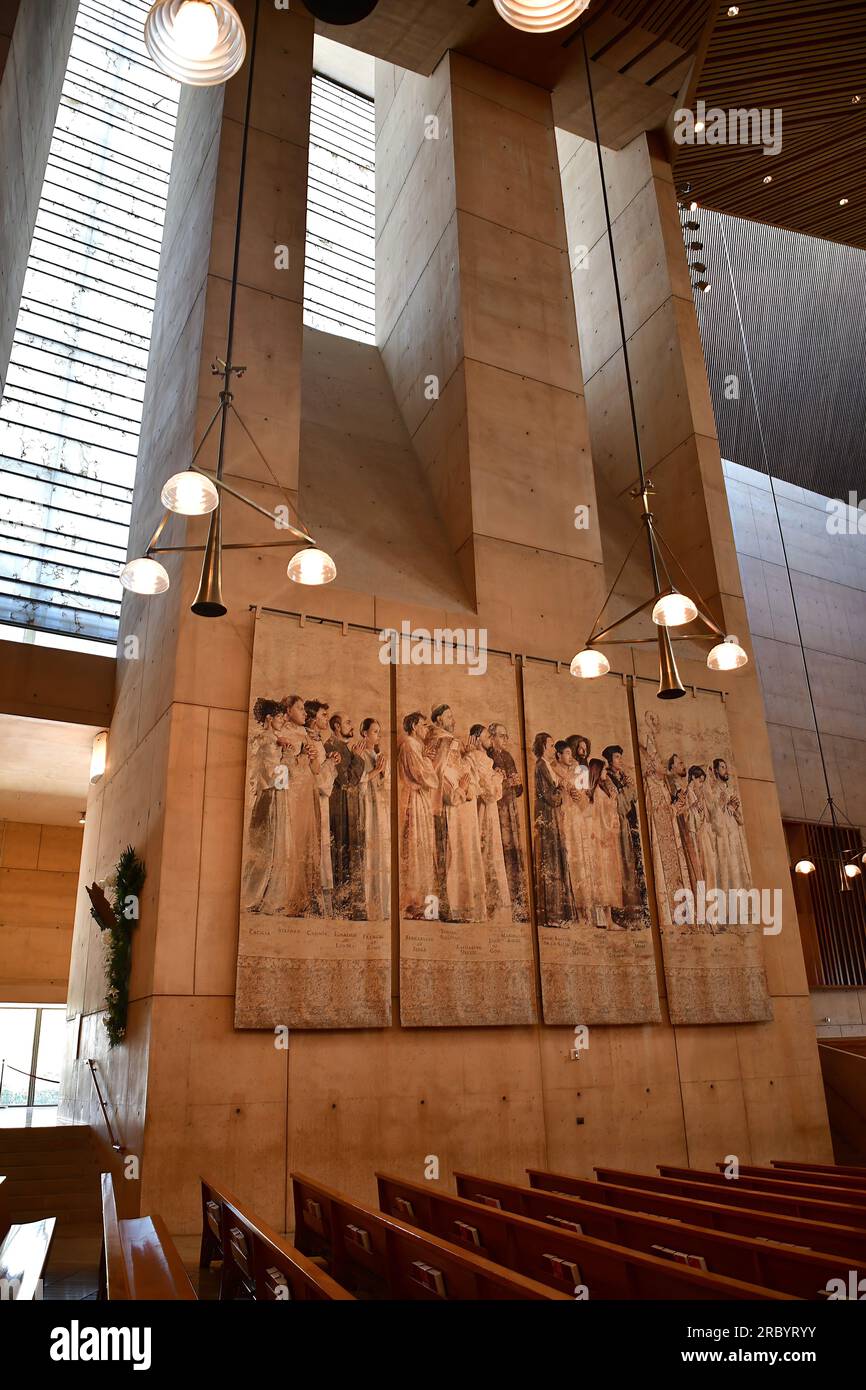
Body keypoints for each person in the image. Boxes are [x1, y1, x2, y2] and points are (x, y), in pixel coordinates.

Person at [242, 698, 291, 914]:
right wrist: (287, 754)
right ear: (270, 719)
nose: (283, 720)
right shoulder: (268, 742)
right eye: (280, 717)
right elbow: (277, 778)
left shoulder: (267, 741)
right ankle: (255, 897)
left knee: (269, 846)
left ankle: (264, 897)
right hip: (270, 797)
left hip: (270, 796)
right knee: (266, 846)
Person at [277, 694, 322, 917]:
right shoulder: (282, 733)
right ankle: (289, 898)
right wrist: (300, 756)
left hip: (307, 790)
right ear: (288, 712)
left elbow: (315, 769)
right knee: (292, 842)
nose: (305, 713)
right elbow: (281, 771)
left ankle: (304, 899)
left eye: (305, 709)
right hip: (292, 793)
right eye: (300, 709)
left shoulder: (306, 733)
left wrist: (312, 756)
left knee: (306, 841)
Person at [466, 724, 511, 918]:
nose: (489, 739)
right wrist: (497, 779)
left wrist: (496, 778)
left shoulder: (486, 760)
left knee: (491, 850)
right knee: (484, 850)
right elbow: (488, 793)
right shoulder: (475, 759)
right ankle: (483, 905)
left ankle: (493, 906)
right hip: (481, 811)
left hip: (489, 811)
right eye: (486, 736)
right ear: (477, 740)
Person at [397, 712, 438, 918]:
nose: (426, 729)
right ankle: (414, 904)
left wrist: (427, 759)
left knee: (423, 848)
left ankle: (423, 903)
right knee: (415, 848)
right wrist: (429, 761)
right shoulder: (410, 745)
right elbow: (424, 777)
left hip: (421, 801)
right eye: (423, 725)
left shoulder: (417, 747)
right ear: (414, 726)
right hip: (414, 800)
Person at [325, 712, 366, 919]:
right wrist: (357, 758)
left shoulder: (343, 748)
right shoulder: (332, 747)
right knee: (341, 852)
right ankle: (342, 906)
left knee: (351, 851)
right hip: (339, 807)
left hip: (349, 807)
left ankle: (350, 905)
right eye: (348, 722)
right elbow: (347, 780)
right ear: (336, 725)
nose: (352, 726)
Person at [442, 738, 486, 922]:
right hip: (456, 821)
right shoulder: (444, 772)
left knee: (472, 857)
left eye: (457, 751)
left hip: (469, 821)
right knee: (458, 859)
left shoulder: (465, 766)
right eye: (452, 751)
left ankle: (475, 910)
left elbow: (476, 787)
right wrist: (461, 788)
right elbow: (449, 798)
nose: (455, 754)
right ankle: (458, 908)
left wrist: (468, 790)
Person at [601, 743, 647, 920]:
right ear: (610, 760)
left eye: (621, 756)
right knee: (624, 864)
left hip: (631, 823)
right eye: (617, 757)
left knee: (635, 863)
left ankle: (639, 909)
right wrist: (629, 789)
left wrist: (630, 788)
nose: (620, 760)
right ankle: (627, 910)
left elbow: (635, 797)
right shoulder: (608, 778)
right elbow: (619, 804)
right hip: (619, 825)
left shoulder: (624, 776)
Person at [533, 733, 574, 927]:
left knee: (556, 861)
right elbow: (548, 795)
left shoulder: (546, 766)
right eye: (550, 745)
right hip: (547, 818)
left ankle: (559, 915)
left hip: (553, 818)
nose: (552, 748)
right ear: (542, 747)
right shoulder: (541, 766)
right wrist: (561, 790)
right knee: (550, 863)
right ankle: (553, 915)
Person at [489, 722, 527, 920]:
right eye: (501, 736)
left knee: (515, 852)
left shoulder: (508, 756)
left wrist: (516, 783)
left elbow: (518, 789)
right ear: (492, 737)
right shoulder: (489, 755)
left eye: (506, 736)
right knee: (502, 850)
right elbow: (489, 786)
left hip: (511, 810)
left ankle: (519, 905)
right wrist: (505, 783)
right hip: (498, 810)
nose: (505, 739)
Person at [305, 699, 339, 915]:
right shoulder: (309, 740)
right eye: (323, 715)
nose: (326, 718)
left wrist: (330, 762)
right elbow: (317, 778)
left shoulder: (317, 740)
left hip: (321, 800)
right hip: (313, 799)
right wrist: (330, 764)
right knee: (315, 842)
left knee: (323, 843)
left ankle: (323, 902)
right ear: (313, 718)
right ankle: (314, 898)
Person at [552, 740, 592, 915]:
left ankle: (585, 907)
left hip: (577, 819)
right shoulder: (553, 769)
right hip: (563, 817)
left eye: (571, 753)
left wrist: (579, 796)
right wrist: (562, 789)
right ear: (559, 755)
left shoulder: (579, 770)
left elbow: (586, 802)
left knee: (580, 858)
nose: (570, 756)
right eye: (566, 753)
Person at [425, 704, 456, 919]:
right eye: (448, 716)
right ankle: (437, 910)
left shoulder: (442, 739)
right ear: (438, 720)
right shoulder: (441, 740)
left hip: (445, 803)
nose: (452, 719)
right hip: (438, 803)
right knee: (439, 856)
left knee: (444, 856)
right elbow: (438, 771)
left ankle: (442, 908)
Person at [359, 717, 390, 922]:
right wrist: (377, 771)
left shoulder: (376, 754)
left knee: (382, 853)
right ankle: (370, 906)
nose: (378, 735)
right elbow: (359, 781)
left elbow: (384, 783)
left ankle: (382, 907)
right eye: (375, 732)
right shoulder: (360, 753)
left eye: (379, 732)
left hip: (380, 805)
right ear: (365, 734)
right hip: (368, 807)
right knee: (370, 852)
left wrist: (383, 771)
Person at [587, 757, 624, 927]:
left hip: (604, 840)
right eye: (603, 770)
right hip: (602, 841)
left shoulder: (600, 791)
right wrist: (613, 801)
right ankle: (607, 921)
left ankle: (607, 919)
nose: (605, 773)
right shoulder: (597, 794)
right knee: (604, 879)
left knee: (606, 878)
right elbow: (602, 819)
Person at [706, 757, 751, 892]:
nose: (726, 771)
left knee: (739, 869)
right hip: (723, 838)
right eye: (722, 767)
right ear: (715, 771)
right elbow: (712, 819)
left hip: (735, 836)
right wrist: (722, 806)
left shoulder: (732, 790)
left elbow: (741, 820)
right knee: (728, 872)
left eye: (726, 767)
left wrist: (734, 809)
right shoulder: (713, 792)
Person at [686, 765, 718, 892]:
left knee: (709, 865)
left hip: (702, 833)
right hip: (695, 834)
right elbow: (690, 819)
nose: (701, 784)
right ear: (693, 778)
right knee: (703, 866)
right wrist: (695, 808)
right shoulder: (689, 793)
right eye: (699, 781)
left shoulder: (696, 794)